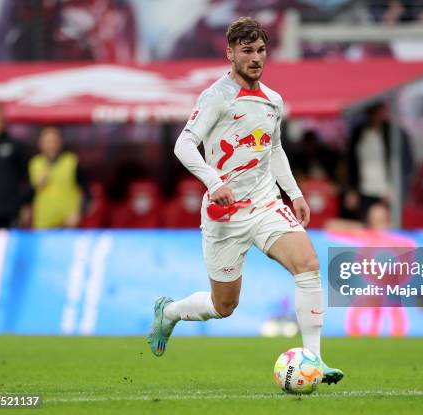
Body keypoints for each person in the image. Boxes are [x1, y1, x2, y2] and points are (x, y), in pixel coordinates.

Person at [147, 16, 343, 385]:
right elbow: (184, 144)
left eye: (261, 50)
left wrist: (295, 193)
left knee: (308, 263)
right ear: (230, 53)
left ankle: (315, 359)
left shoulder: (273, 101)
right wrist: (213, 180)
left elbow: (275, 149)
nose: (256, 58)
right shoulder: (216, 98)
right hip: (225, 215)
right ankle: (169, 312)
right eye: (247, 50)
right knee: (224, 306)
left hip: (266, 203)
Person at [345, 102, 414, 221]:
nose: (374, 115)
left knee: (388, 225)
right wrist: (352, 189)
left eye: (377, 111)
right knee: (366, 225)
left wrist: (394, 188)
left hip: (387, 191)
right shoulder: (359, 133)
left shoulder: (394, 133)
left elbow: (406, 164)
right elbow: (352, 164)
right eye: (371, 112)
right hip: (365, 190)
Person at [29, 126, 89, 229]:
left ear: (60, 143)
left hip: (68, 225)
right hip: (44, 224)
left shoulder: (71, 161)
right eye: (47, 141)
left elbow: (87, 192)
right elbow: (26, 195)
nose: (51, 145)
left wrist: (79, 213)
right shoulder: (35, 163)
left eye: (54, 141)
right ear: (40, 144)